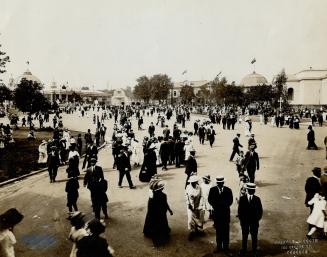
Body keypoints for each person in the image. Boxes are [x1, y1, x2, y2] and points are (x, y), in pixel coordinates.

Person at [143, 178, 173, 246]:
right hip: (161, 213)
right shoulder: (163, 195)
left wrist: (150, 214)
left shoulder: (152, 196)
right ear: (161, 189)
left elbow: (149, 207)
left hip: (154, 213)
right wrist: (169, 210)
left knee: (155, 225)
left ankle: (152, 235)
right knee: (161, 224)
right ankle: (160, 237)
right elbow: (165, 204)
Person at [208, 176, 233, 255]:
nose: (220, 184)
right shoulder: (212, 190)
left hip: (225, 214)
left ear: (223, 183)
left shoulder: (228, 190)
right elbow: (210, 200)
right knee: (218, 231)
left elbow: (230, 201)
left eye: (221, 183)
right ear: (217, 183)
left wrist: (222, 205)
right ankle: (219, 247)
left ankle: (226, 248)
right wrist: (217, 206)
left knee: (225, 232)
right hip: (217, 214)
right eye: (218, 183)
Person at [238, 183, 263, 257]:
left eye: (253, 190)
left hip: (254, 222)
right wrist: (242, 220)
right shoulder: (242, 199)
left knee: (254, 236)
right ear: (247, 190)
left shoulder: (257, 199)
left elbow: (260, 211)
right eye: (251, 190)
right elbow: (240, 211)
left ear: (254, 191)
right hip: (244, 222)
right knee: (244, 236)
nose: (252, 191)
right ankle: (244, 250)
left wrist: (256, 219)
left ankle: (254, 250)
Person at [185, 175, 204, 241]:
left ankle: (197, 230)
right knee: (190, 219)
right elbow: (186, 196)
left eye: (194, 182)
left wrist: (200, 205)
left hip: (197, 205)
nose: (192, 183)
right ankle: (191, 232)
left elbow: (201, 196)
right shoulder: (188, 187)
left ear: (196, 182)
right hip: (190, 205)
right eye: (192, 182)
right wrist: (188, 204)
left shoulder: (199, 187)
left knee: (197, 217)